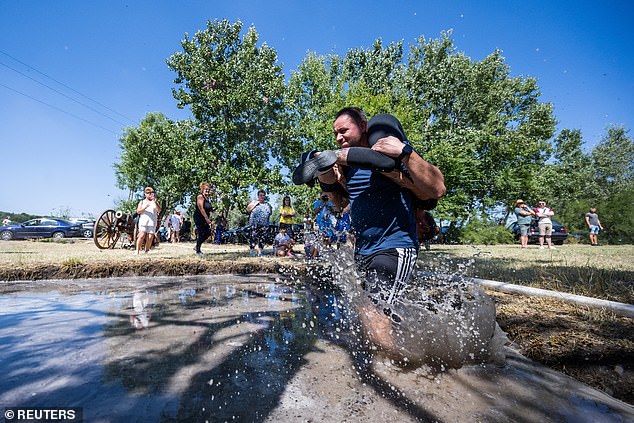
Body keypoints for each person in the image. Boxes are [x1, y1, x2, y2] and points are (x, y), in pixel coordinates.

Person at [294, 108, 445, 348]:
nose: (338, 137)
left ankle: (392, 368)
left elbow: (438, 189)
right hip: (363, 252)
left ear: (363, 125)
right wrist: (325, 173)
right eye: (335, 133)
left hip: (395, 246)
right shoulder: (349, 167)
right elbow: (341, 202)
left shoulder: (389, 151)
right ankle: (413, 347)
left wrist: (405, 152)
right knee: (375, 312)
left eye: (344, 130)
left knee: (372, 310)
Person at [136, 187, 161, 255]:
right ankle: (137, 251)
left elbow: (159, 210)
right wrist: (145, 207)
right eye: (148, 193)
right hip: (143, 221)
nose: (150, 194)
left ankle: (146, 251)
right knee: (142, 235)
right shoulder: (142, 202)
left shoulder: (154, 202)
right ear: (145, 194)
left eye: (151, 193)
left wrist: (155, 202)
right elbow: (138, 211)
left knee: (150, 237)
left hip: (152, 221)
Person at [246, 189, 272, 256]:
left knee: (262, 239)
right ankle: (252, 252)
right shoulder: (254, 202)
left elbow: (270, 212)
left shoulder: (267, 204)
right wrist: (255, 204)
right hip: (254, 224)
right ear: (258, 196)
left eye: (263, 195)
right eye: (261, 195)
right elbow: (248, 209)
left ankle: (260, 252)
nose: (262, 197)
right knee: (253, 238)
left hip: (264, 225)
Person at [194, 182, 214, 256]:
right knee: (202, 233)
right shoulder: (200, 197)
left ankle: (197, 246)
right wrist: (207, 219)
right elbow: (201, 208)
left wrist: (214, 209)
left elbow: (208, 208)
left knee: (208, 233)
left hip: (205, 217)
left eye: (208, 190)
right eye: (206, 189)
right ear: (202, 189)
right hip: (199, 217)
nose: (207, 191)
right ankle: (198, 251)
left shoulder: (207, 198)